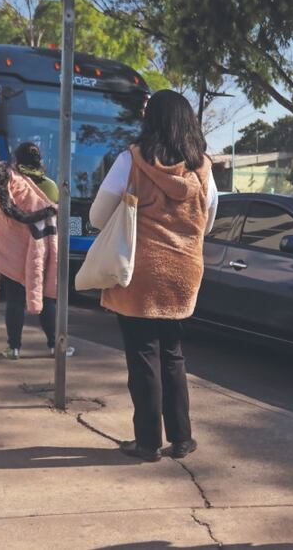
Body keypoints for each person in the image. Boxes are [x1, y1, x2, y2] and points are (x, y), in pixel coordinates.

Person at [89, 89, 218, 463]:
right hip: (184, 272)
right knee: (173, 354)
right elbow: (208, 223)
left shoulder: (130, 160)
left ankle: (147, 443)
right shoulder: (203, 169)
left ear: (151, 120)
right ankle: (182, 438)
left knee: (143, 356)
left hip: (139, 272)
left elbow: (97, 217)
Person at [0, 141, 73, 360]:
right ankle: (55, 346)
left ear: (16, 159)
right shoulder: (51, 186)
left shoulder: (3, 181)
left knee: (15, 300)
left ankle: (13, 348)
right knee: (47, 297)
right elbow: (60, 217)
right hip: (41, 251)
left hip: (11, 250)